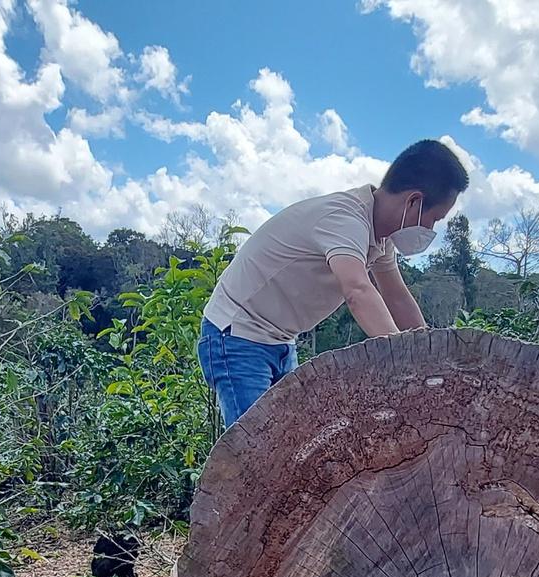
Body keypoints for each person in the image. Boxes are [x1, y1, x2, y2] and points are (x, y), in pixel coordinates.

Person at [196, 139, 468, 427]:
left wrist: (430, 354)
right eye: (434, 219)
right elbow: (358, 291)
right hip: (236, 336)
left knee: (292, 442)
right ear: (414, 201)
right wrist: (405, 361)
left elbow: (397, 297)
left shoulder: (380, 240)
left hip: (281, 341)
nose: (431, 229)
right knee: (254, 455)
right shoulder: (345, 220)